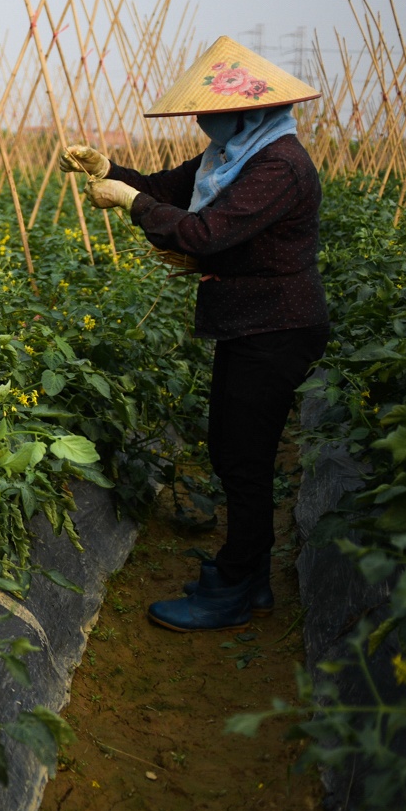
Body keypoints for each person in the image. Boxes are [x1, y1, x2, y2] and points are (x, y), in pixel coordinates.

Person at [61, 37, 328, 632]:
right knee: (233, 449)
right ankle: (250, 579)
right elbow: (162, 189)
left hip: (279, 326)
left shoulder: (278, 164)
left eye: (212, 110)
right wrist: (110, 171)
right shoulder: (227, 157)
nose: (203, 121)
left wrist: (131, 205)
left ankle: (235, 586)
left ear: (249, 110)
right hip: (248, 323)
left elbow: (204, 234)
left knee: (245, 456)